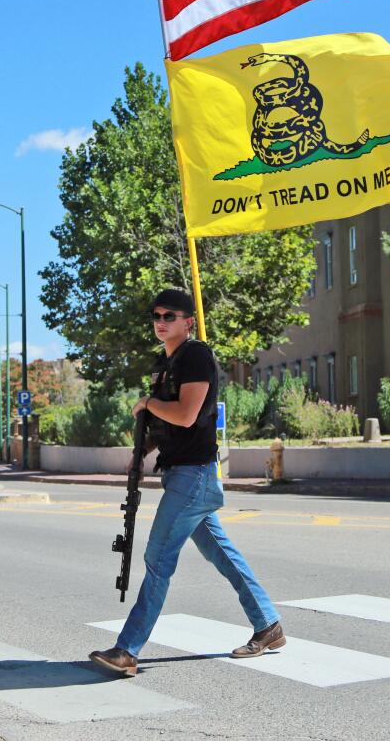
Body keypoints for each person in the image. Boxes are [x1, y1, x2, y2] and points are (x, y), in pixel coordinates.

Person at [89, 288, 284, 677]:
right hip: (182, 472)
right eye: (156, 315)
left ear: (188, 321)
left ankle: (127, 650)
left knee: (158, 558)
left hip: (194, 475)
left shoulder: (195, 354)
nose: (161, 321)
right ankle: (269, 626)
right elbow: (165, 426)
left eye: (169, 316)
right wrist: (139, 454)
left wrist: (147, 403)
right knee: (223, 555)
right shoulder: (165, 362)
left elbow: (187, 414)